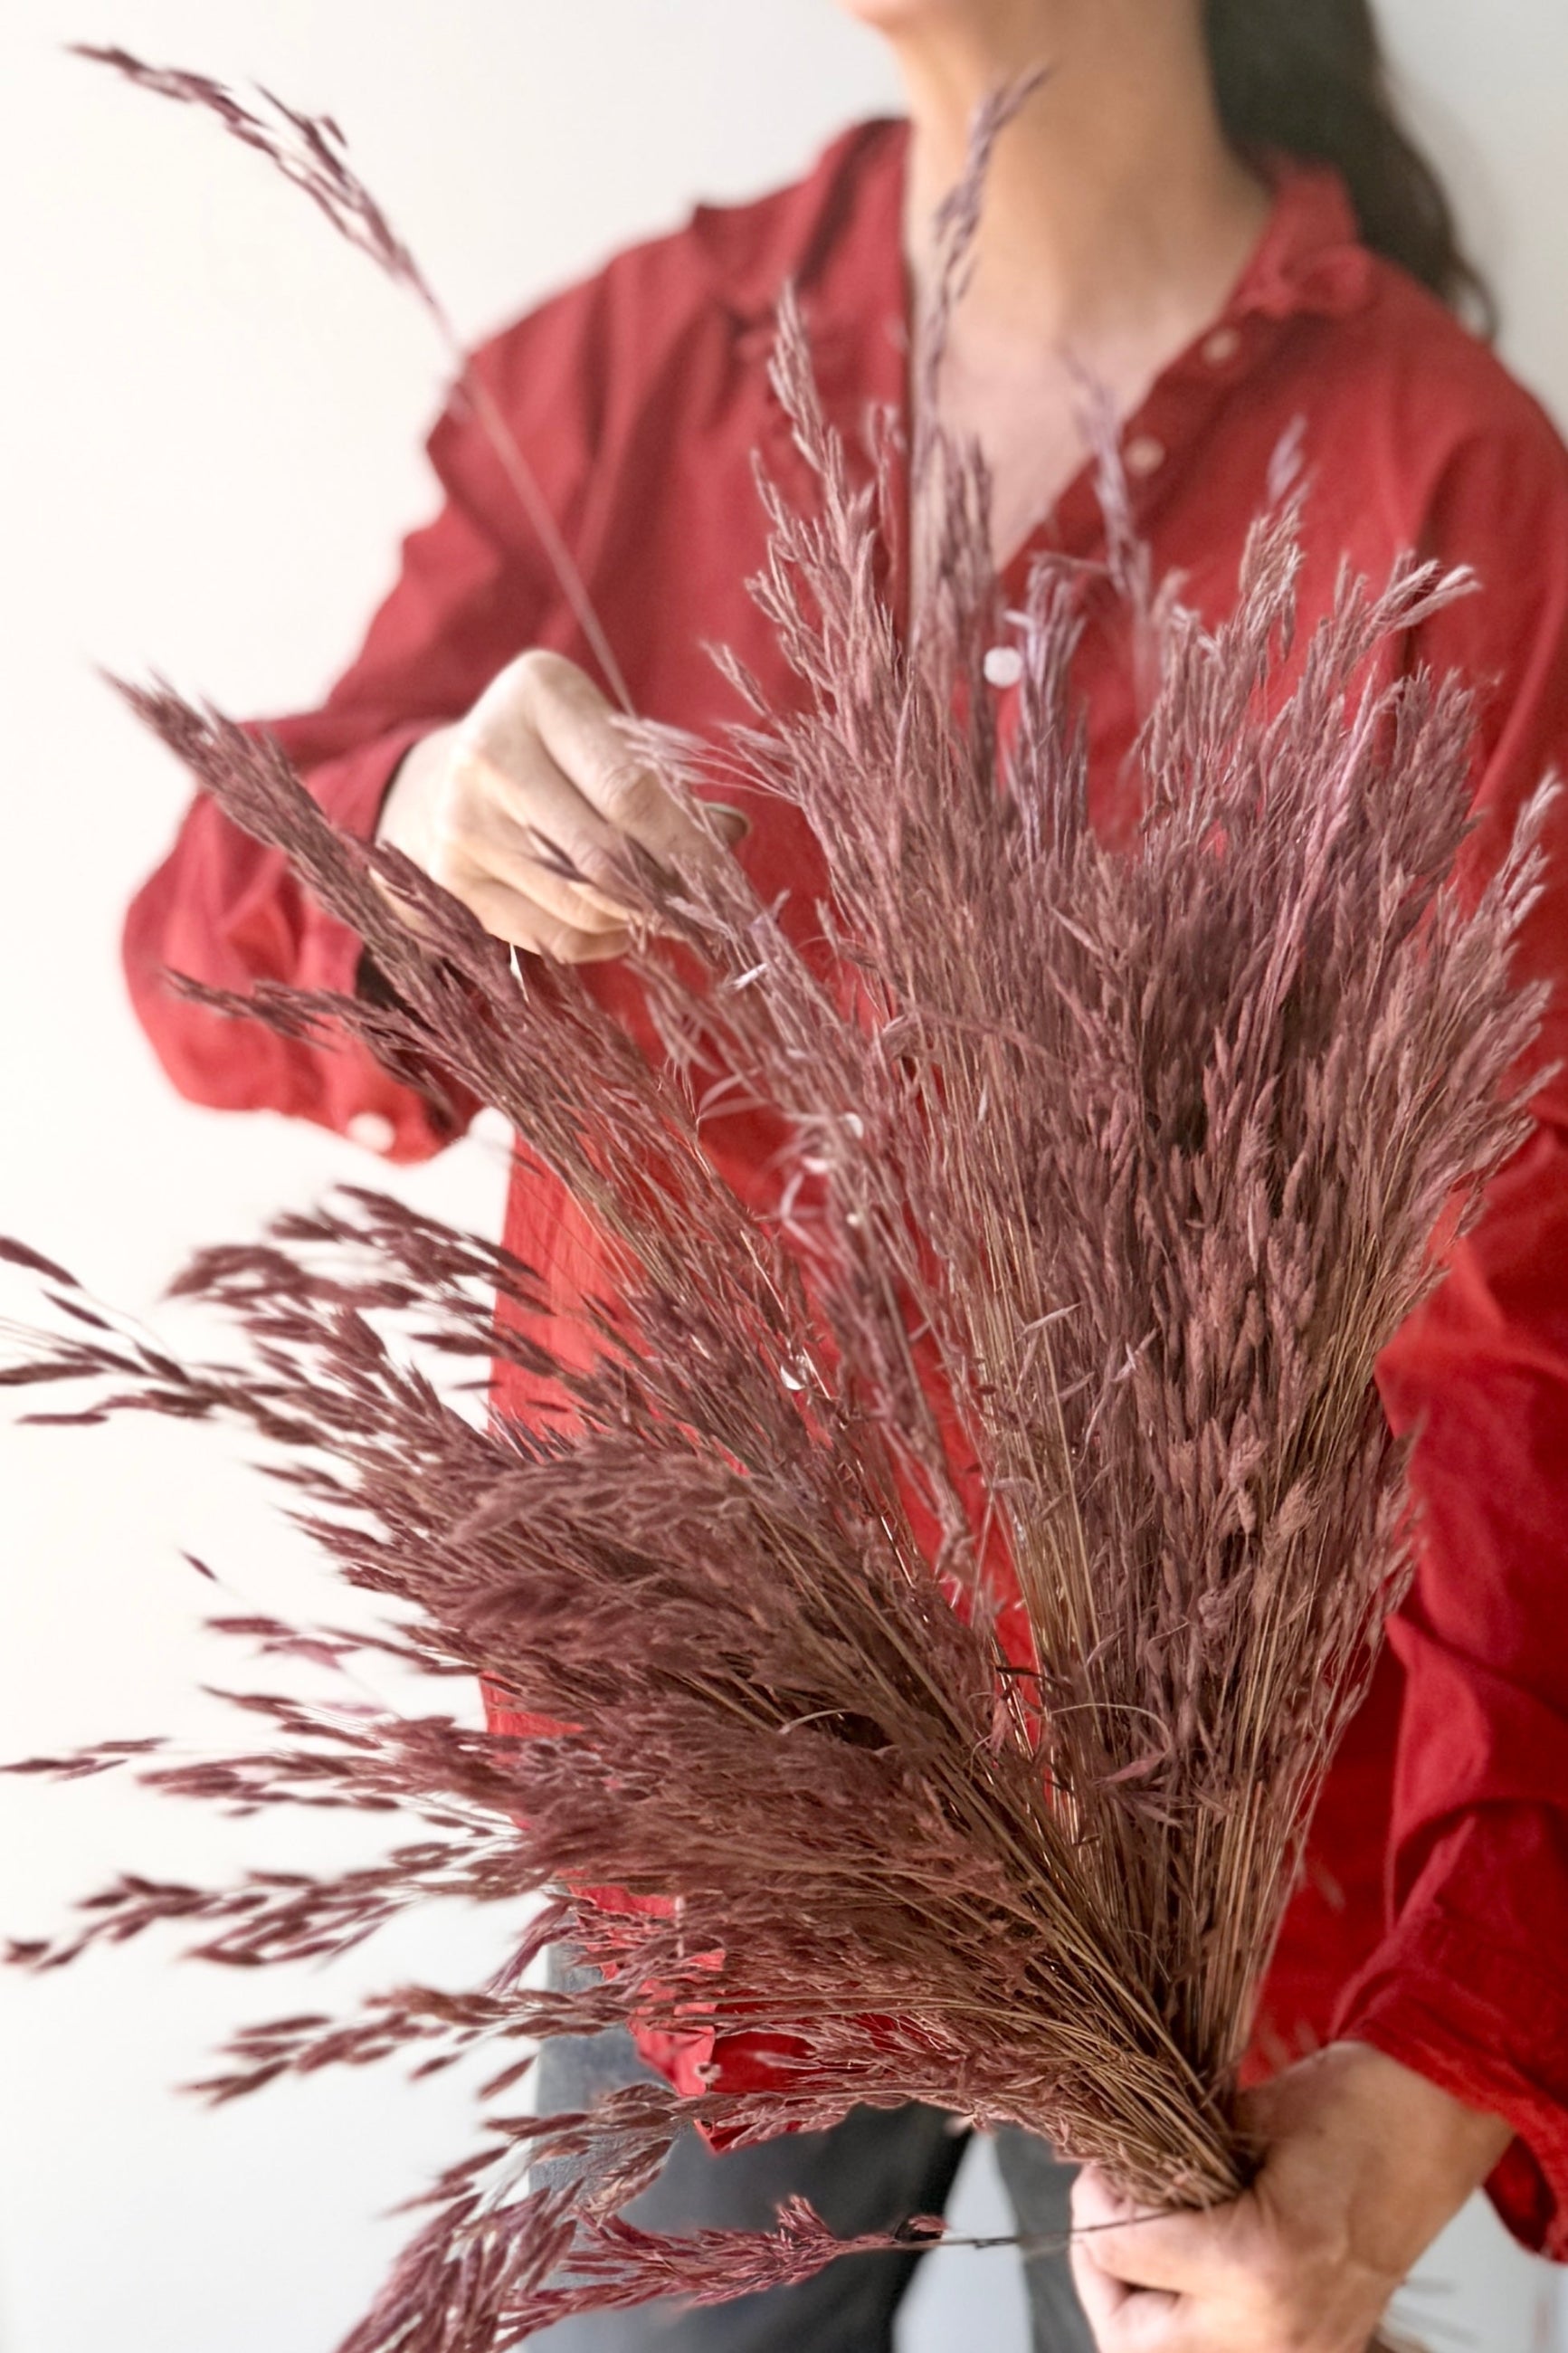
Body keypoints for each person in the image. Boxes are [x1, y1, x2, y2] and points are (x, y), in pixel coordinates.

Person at [123, 2, 1568, 2347]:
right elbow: (187, 962)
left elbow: (1534, 1344)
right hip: (716, 1843)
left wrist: (1448, 2053)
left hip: (1241, 1902)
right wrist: (406, 825)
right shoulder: (626, 380)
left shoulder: (1447, 487)